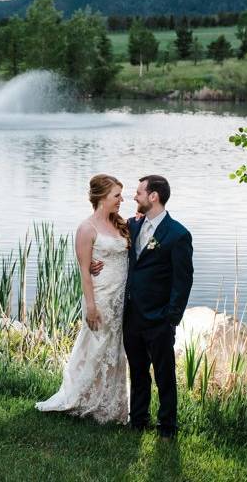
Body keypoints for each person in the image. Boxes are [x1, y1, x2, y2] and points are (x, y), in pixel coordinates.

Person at [92, 174, 193, 439]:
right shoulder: (133, 226)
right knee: (137, 371)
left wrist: (170, 317)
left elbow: (183, 282)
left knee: (164, 374)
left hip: (159, 318)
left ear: (153, 196)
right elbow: (107, 239)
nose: (134, 197)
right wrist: (94, 263)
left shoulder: (178, 235)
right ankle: (138, 420)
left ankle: (167, 426)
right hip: (132, 314)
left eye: (138, 192)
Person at [35, 174, 131, 424]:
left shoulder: (120, 224)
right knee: (95, 348)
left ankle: (112, 404)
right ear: (102, 197)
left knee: (114, 349)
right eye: (117, 195)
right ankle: (83, 398)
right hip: (99, 297)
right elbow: (84, 271)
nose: (122, 199)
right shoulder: (87, 228)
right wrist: (90, 306)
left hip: (120, 297)